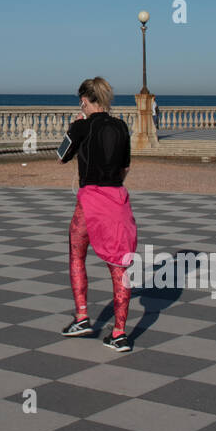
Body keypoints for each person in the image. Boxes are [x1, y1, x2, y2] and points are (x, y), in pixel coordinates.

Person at [59, 76, 137, 351]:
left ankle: (82, 316)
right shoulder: (121, 126)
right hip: (117, 201)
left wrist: (75, 127)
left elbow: (62, 155)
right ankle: (120, 333)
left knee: (77, 255)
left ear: (84, 100)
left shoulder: (81, 126)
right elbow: (125, 167)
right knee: (120, 267)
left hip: (90, 202)